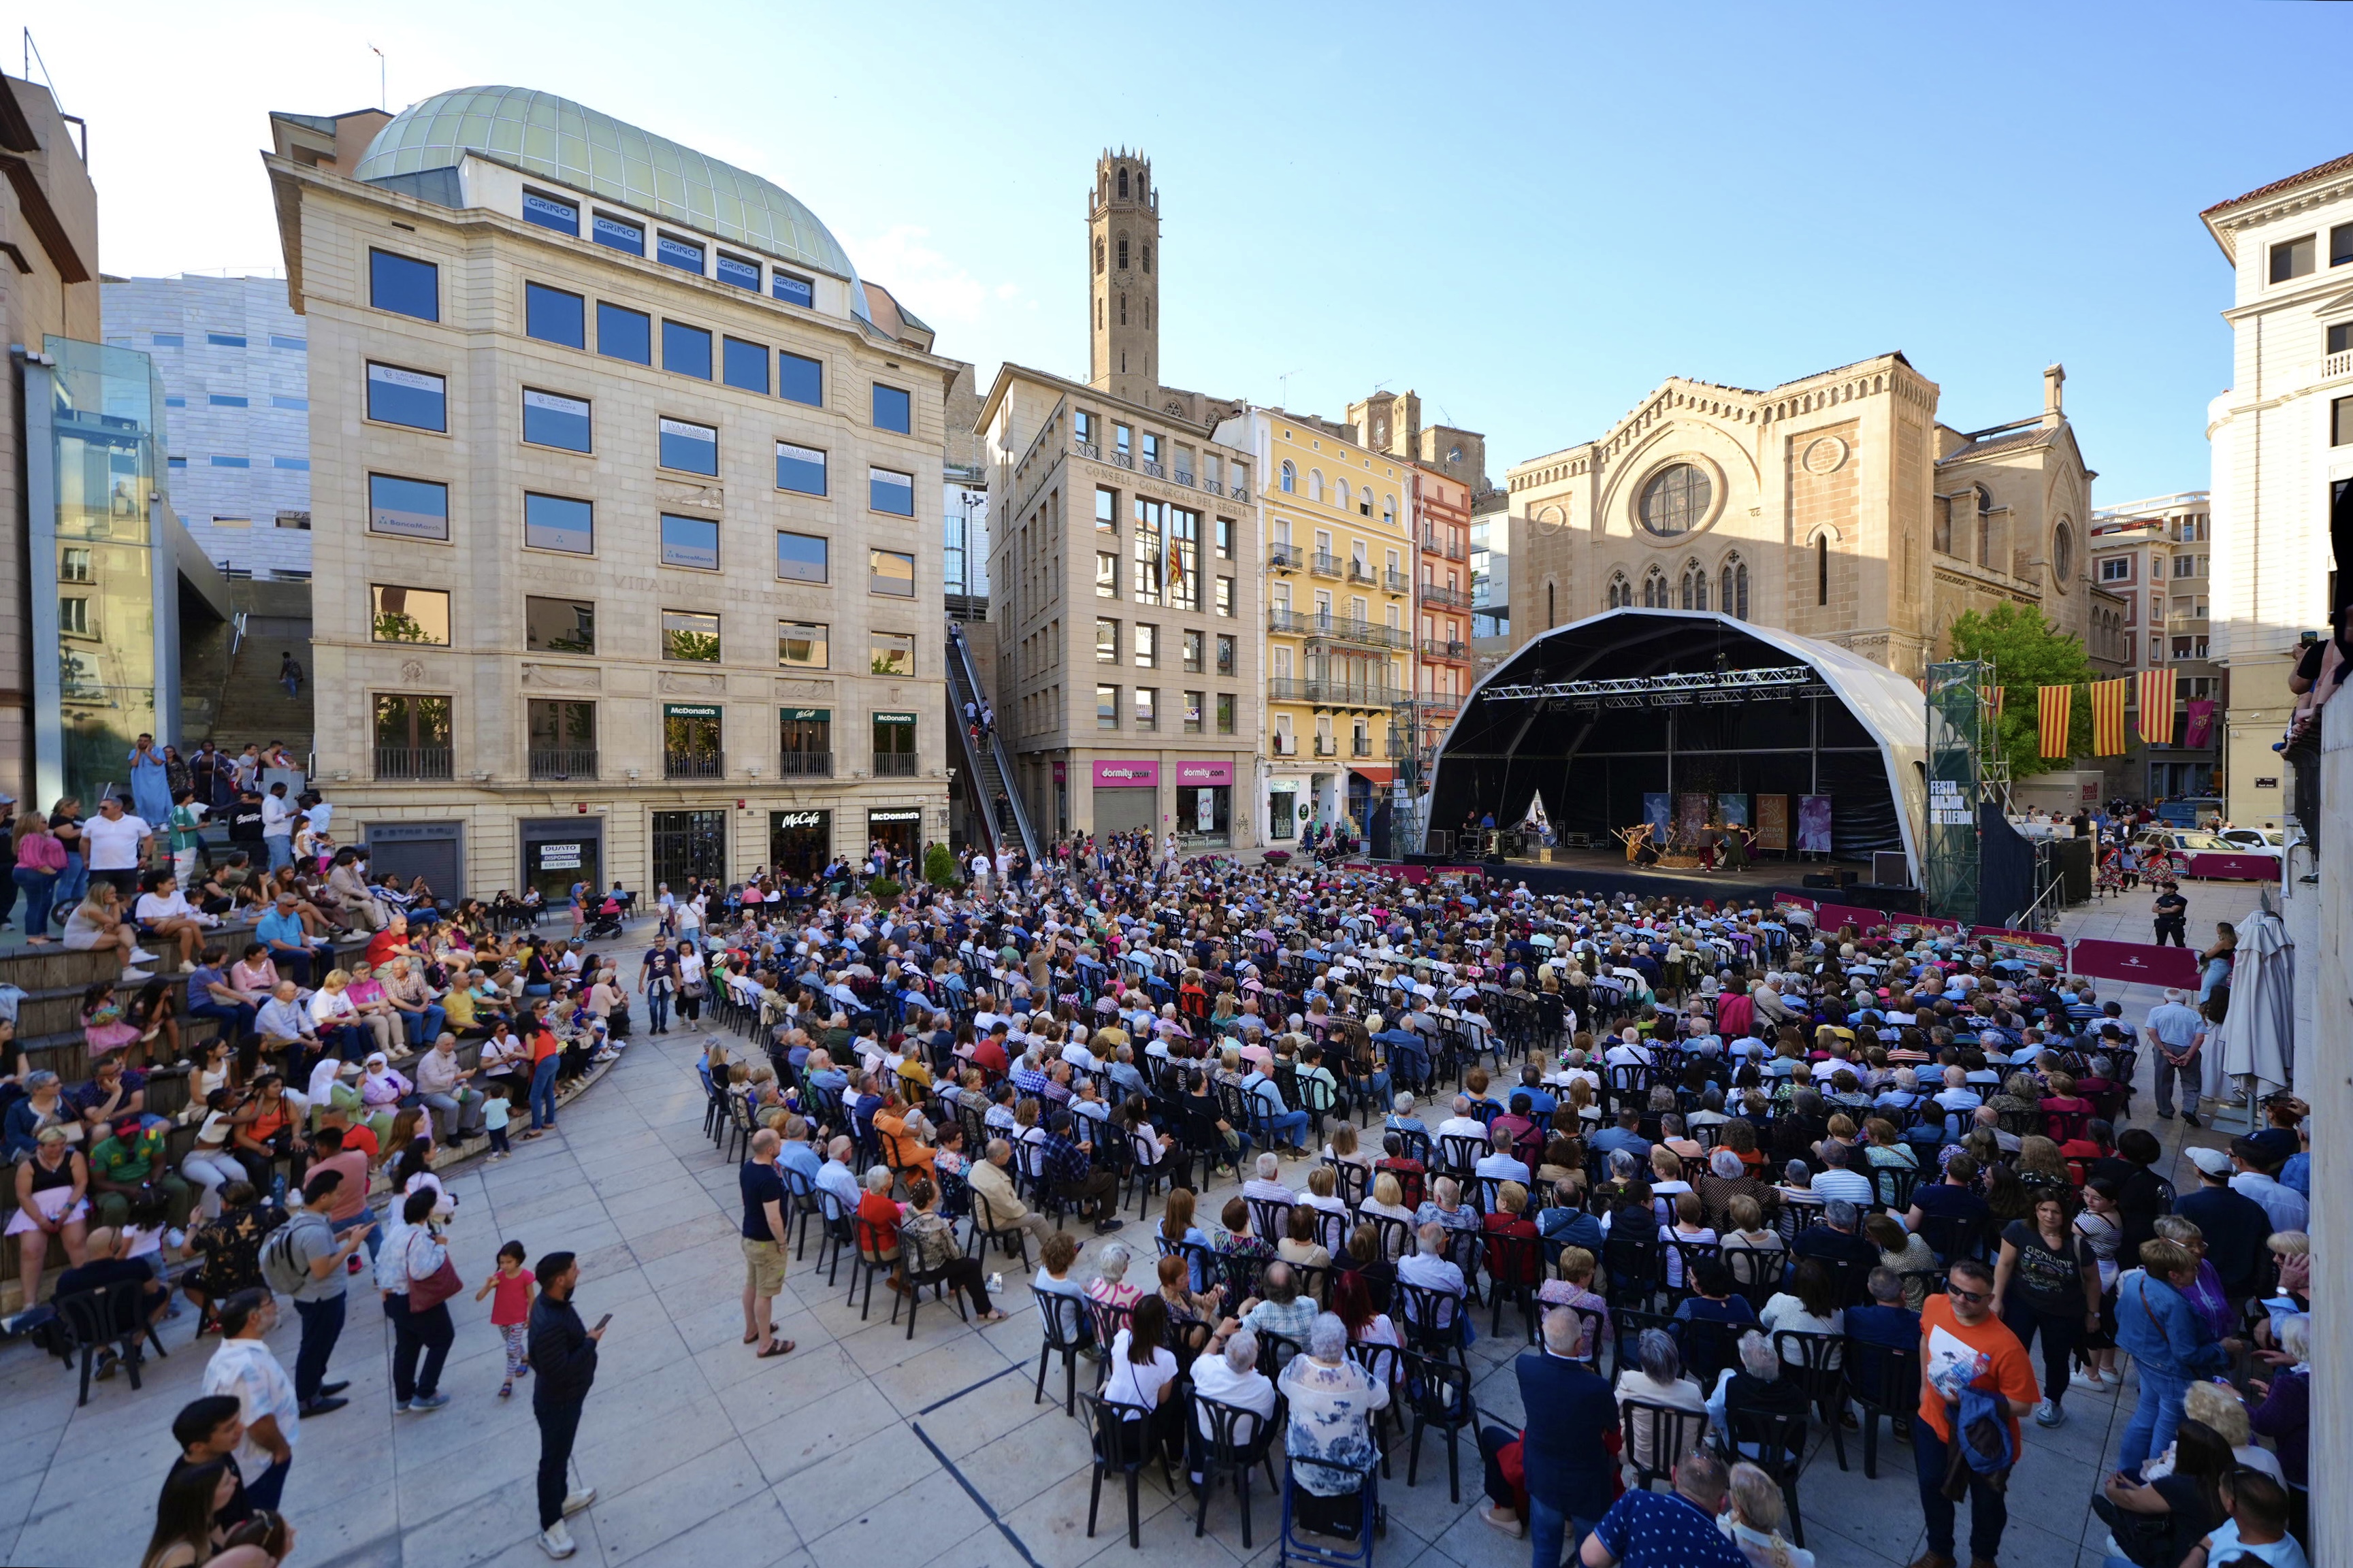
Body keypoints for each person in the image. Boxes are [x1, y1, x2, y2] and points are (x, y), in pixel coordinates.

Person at [1913, 1258, 2040, 1568]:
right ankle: (1939, 1552)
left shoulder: (2007, 1346)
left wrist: (1972, 1401)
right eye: (1955, 1289)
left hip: (1984, 1439)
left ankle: (1983, 1559)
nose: (1959, 1299)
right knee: (1932, 1489)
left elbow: (2023, 1405)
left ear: (1990, 1299)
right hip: (1933, 1423)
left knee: (1987, 1504)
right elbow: (1926, 1339)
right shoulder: (1933, 1304)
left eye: (1971, 1296)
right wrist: (1925, 1389)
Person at [1477, 1306, 1619, 1562]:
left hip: (1543, 1480)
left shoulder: (1526, 1367)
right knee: (1590, 1558)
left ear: (1543, 1338)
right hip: (1586, 1488)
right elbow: (1614, 1441)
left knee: (1544, 1552)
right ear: (1580, 1344)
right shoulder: (1598, 1388)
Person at [2114, 1237, 2239, 1478]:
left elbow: (2121, 1314)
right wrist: (2223, 1348)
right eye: (2192, 1268)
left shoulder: (2135, 1280)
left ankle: (2126, 1471)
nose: (2197, 1271)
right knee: (2168, 1431)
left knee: (2145, 1416)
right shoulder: (2175, 1304)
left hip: (2146, 1360)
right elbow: (2187, 1353)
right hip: (2172, 1372)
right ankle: (2151, 1481)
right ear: (2174, 1275)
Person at [1990, 1188, 2100, 1429]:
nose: (2049, 1216)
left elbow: (2093, 1280)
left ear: (2065, 1214)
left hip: (2064, 1310)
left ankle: (2053, 1401)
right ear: (2035, 1210)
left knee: (2056, 1358)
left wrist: (2093, 1313)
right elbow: (2005, 1263)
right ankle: (2005, 1400)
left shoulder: (2078, 1244)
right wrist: (1996, 1298)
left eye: (2055, 1211)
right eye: (2043, 1210)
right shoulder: (2018, 1230)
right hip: (2022, 1302)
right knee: (2013, 1352)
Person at [528, 1250, 604, 1560]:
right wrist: (590, 1343)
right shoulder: (550, 1323)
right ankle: (550, 1526)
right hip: (558, 1402)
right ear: (559, 1280)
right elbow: (560, 1370)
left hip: (568, 1399)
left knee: (560, 1454)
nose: (578, 1272)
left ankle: (561, 1498)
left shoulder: (554, 1303)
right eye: (574, 1269)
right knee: (552, 1461)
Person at [278, 1170, 370, 1416]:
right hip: (319, 1297)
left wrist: (343, 1235)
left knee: (323, 1341)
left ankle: (315, 1386)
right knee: (314, 1346)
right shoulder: (314, 1231)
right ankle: (307, 1399)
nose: (340, 1197)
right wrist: (351, 1245)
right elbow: (321, 1269)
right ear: (323, 1197)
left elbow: (319, 1253)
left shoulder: (311, 1219)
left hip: (324, 1295)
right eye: (336, 1194)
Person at [201, 1290, 299, 1512]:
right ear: (254, 1317)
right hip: (259, 1468)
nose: (276, 1307)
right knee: (262, 1529)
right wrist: (281, 1450)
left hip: (256, 1464)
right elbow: (257, 1421)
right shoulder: (245, 1366)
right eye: (270, 1303)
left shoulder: (230, 1355)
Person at [1576, 1448, 1748, 1568]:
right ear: (1722, 1503)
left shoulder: (1637, 1503)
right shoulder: (1733, 1559)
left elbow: (1591, 1557)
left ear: (1673, 1476)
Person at [1279, 1311, 1390, 1499]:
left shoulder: (1297, 1367)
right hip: (1350, 1475)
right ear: (1343, 1343)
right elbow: (1383, 1399)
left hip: (1303, 1470)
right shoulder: (1357, 1376)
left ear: (1314, 1342)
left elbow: (1282, 1385)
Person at [2096, 1418, 2232, 1568]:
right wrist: (2136, 1488)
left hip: (2173, 1558)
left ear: (2189, 1456)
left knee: (2111, 1563)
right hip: (2203, 1552)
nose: (2172, 1448)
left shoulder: (2183, 1485)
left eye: (2178, 1444)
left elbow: (2131, 1500)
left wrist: (2111, 1491)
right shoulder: (2221, 1485)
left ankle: (2126, 1528)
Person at [739, 1127, 798, 1357]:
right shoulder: (769, 1179)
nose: (782, 1146)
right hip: (766, 1243)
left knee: (752, 1284)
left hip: (749, 1237)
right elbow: (774, 1218)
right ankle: (766, 1342)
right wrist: (782, 1242)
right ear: (771, 1149)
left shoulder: (747, 1168)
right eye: (779, 1144)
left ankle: (752, 1329)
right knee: (765, 1293)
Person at [476, 1240, 538, 1399]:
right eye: (502, 1262)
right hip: (501, 1318)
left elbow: (532, 1297)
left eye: (509, 1262)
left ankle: (507, 1382)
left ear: (518, 1260)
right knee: (512, 1343)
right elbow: (479, 1298)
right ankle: (525, 1358)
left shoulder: (526, 1276)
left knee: (511, 1350)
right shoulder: (498, 1277)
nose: (505, 1266)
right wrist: (488, 1286)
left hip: (518, 1318)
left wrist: (532, 1316)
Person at [2141, 988, 2206, 1126]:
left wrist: (2164, 1051)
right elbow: (2200, 1037)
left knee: (2162, 1080)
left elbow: (2151, 1031)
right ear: (2184, 1001)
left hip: (2164, 1047)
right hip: (2188, 1048)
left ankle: (2165, 1110)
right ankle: (2189, 1109)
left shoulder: (2156, 1011)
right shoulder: (2194, 1015)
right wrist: (2189, 1055)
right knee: (2192, 1082)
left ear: (2166, 1000)